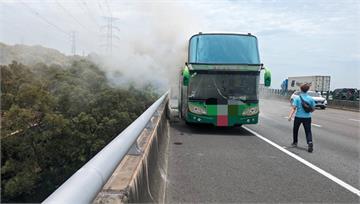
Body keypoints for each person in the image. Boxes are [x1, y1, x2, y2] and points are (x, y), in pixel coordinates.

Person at [288, 83, 316, 153]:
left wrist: (290, 116)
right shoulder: (310, 99)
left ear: (301, 90)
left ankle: (295, 142)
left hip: (298, 117)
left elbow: (293, 108)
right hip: (307, 117)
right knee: (308, 131)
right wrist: (309, 111)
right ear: (307, 90)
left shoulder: (297, 98)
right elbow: (313, 108)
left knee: (295, 129)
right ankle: (310, 142)